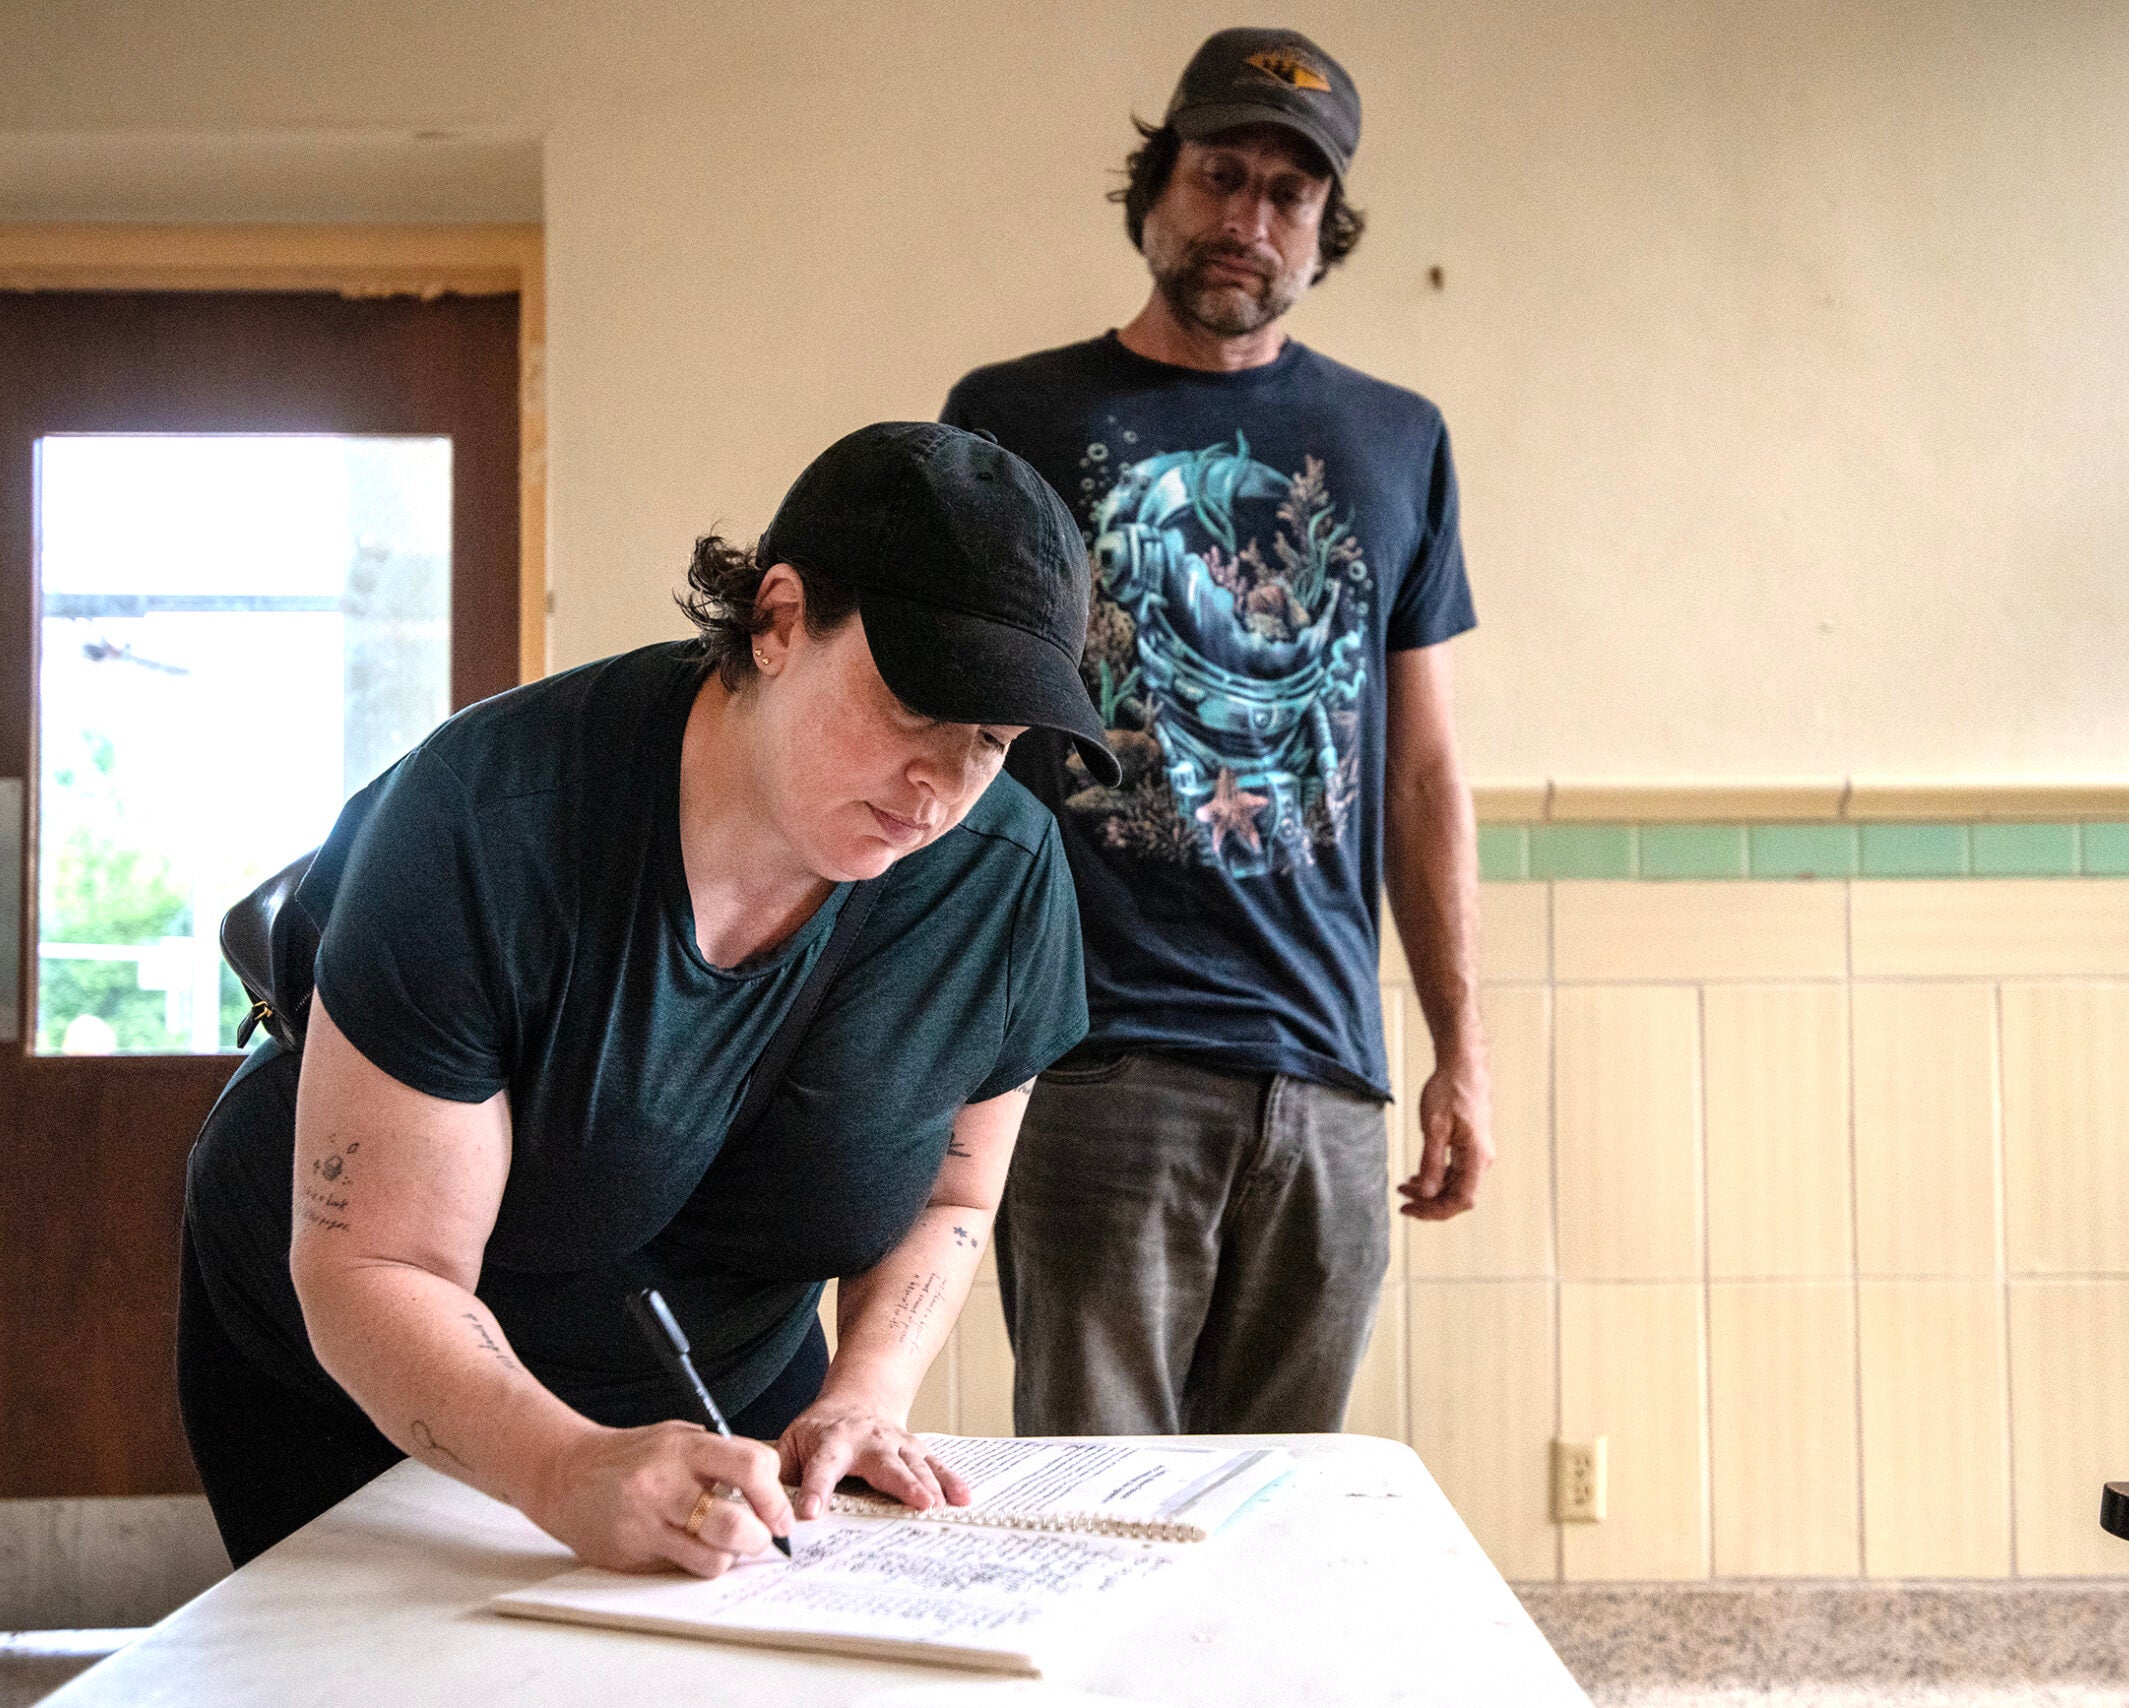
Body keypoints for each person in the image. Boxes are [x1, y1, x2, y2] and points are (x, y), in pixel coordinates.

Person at [175, 422, 1117, 1572]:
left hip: (712, 1367)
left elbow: (953, 1191)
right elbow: (378, 1265)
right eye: (914, 707)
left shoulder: (1000, 885)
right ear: (777, 620)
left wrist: (865, 1392)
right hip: (368, 1376)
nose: (941, 784)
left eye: (989, 739)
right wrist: (561, 1465)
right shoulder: (488, 818)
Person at [941, 27, 1491, 1436]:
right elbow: (953, 739)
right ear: (1156, 187)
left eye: (1288, 195)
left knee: (1279, 1520)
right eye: (1219, 173)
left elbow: (1423, 776)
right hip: (1093, 1061)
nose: (1248, 218)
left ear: (1326, 230)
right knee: (1094, 1514)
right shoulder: (1012, 419)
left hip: (1327, 1079)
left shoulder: (1398, 439)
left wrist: (1460, 1053)